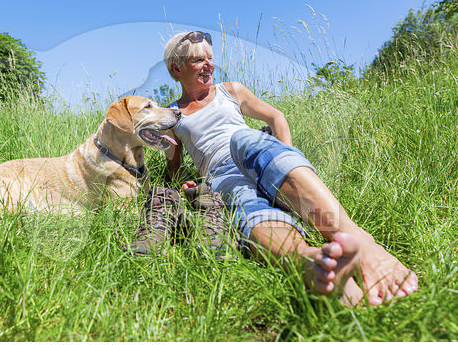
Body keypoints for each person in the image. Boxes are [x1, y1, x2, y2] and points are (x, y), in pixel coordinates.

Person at [158, 30, 418, 306]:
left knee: (242, 137)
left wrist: (283, 157)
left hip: (257, 152)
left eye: (210, 58)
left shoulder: (229, 91)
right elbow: (174, 169)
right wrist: (190, 187)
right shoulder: (172, 115)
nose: (209, 64)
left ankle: (360, 241)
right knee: (245, 204)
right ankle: (314, 264)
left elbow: (275, 116)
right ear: (176, 68)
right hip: (222, 175)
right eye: (199, 60)